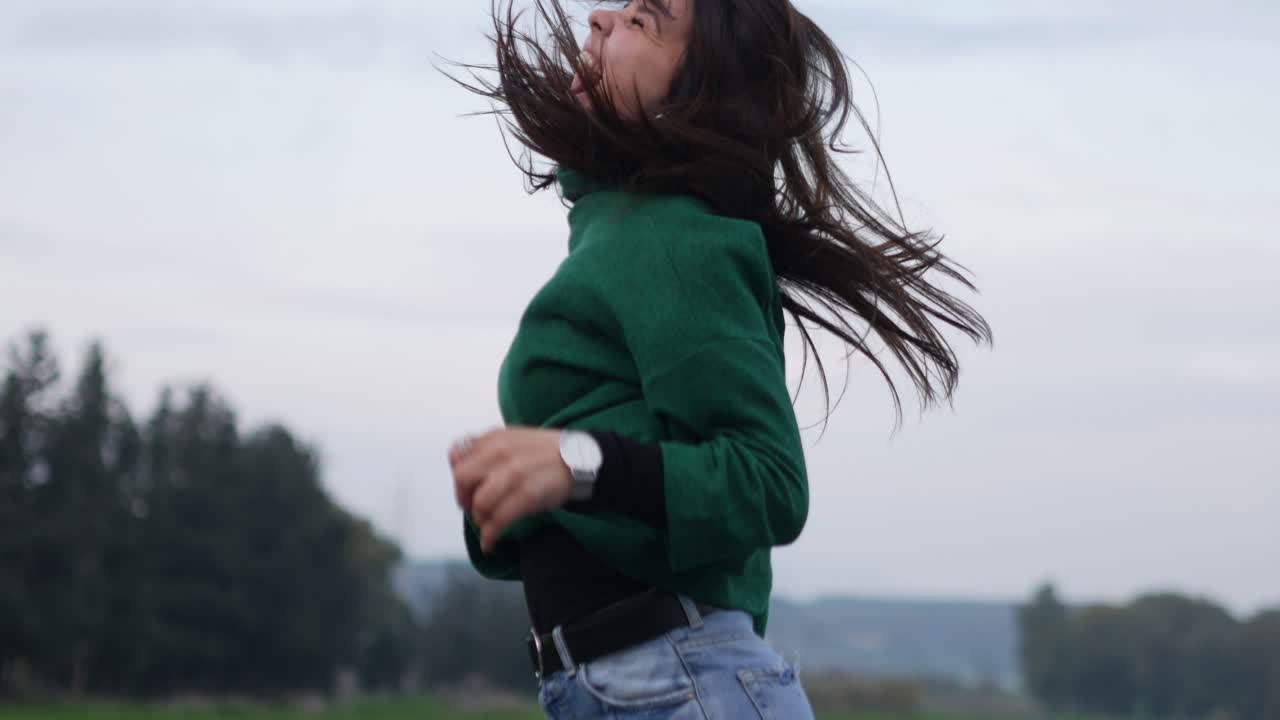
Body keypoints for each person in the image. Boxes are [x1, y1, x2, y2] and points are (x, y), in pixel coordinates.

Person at [446, 0, 991, 717]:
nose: (602, 18)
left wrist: (574, 465)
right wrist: (508, 496)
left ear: (694, 99)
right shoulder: (620, 235)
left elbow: (769, 481)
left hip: (677, 685)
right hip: (619, 686)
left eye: (646, 20)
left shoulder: (676, 239)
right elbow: (609, 486)